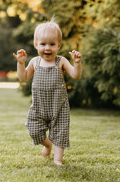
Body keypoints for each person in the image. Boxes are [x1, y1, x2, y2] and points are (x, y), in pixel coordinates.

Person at [13, 18, 82, 166]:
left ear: (59, 45)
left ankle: (57, 159)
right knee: (34, 129)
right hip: (39, 106)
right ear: (36, 44)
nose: (47, 48)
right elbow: (23, 77)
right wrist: (20, 63)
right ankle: (48, 144)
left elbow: (76, 75)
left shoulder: (61, 61)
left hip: (59, 106)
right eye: (43, 44)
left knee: (60, 132)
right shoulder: (34, 62)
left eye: (52, 44)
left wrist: (77, 63)